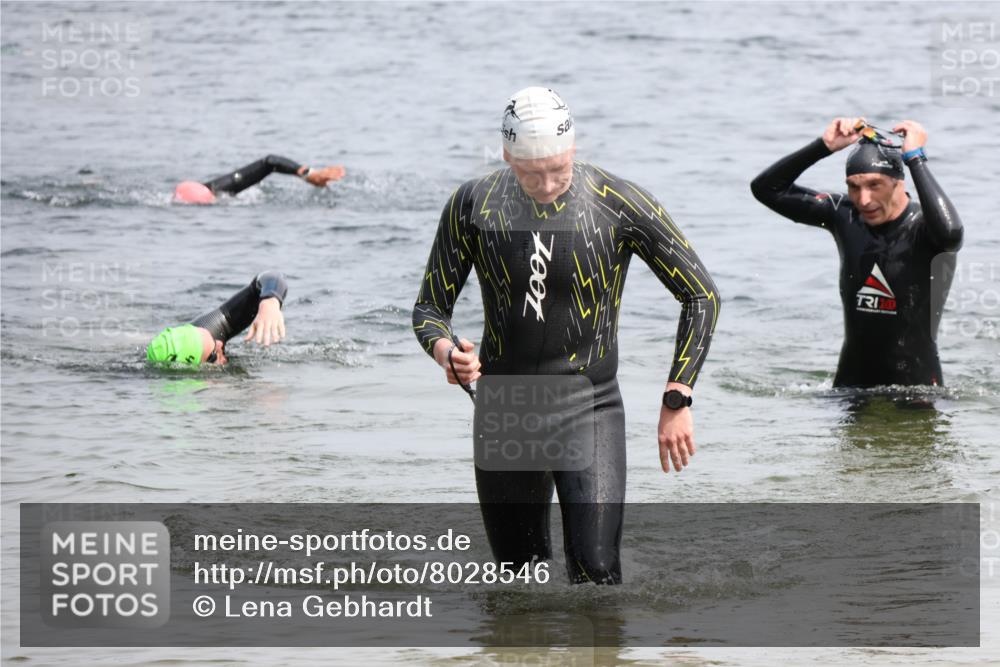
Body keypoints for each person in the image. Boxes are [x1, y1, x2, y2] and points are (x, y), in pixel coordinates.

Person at [411, 87, 721, 584]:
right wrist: (448, 354)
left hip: (589, 405)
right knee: (518, 579)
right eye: (531, 173)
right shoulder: (472, 204)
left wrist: (677, 397)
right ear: (507, 155)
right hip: (505, 409)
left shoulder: (618, 202)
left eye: (558, 169)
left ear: (573, 147)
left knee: (597, 573)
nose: (548, 184)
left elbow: (701, 295)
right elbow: (430, 308)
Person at [750, 118, 963, 387]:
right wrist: (823, 147)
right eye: (854, 186)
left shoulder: (926, 228)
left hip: (916, 389)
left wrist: (915, 158)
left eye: (875, 185)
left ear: (898, 182)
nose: (863, 200)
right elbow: (766, 189)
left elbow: (951, 234)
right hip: (849, 387)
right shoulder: (843, 215)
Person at [146, 271, 288, 366]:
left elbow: (272, 276)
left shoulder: (206, 330)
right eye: (212, 355)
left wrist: (270, 301)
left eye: (214, 339)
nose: (220, 343)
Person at [173, 155, 345, 204]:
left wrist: (310, 174)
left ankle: (311, 176)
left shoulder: (218, 189)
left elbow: (269, 162)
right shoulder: (219, 194)